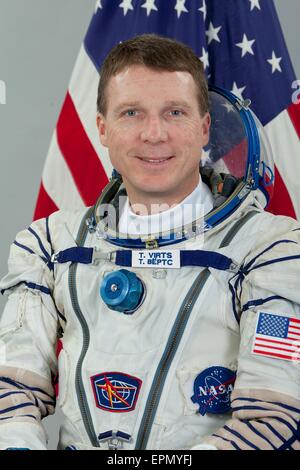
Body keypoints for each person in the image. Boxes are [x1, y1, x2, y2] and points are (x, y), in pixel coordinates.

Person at [0, 34, 300, 451]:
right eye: (131, 113)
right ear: (103, 128)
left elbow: (275, 420)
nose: (153, 133)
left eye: (175, 112)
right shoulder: (50, 245)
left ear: (205, 127)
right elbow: (9, 395)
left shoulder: (268, 249)